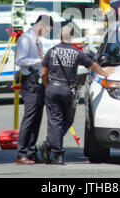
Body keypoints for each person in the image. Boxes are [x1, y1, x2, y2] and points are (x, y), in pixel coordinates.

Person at [38, 20, 113, 165]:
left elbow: (43, 73)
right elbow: (93, 66)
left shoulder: (51, 51)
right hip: (69, 91)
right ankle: (56, 152)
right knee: (66, 121)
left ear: (60, 36)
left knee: (55, 122)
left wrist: (47, 85)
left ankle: (49, 145)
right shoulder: (77, 53)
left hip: (53, 88)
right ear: (71, 37)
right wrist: (105, 73)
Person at [14, 14, 53, 165]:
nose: (46, 34)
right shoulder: (26, 39)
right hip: (29, 81)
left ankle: (30, 152)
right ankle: (21, 153)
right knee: (29, 118)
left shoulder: (37, 41)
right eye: (46, 30)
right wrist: (40, 60)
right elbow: (20, 60)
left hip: (38, 82)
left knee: (37, 118)